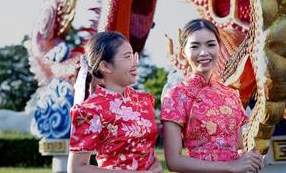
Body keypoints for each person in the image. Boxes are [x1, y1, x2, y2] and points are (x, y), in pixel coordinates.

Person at [160, 19, 263, 173]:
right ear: (183, 52)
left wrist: (249, 158)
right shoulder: (176, 95)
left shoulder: (231, 94)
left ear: (219, 47)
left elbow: (239, 147)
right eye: (195, 46)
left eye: (210, 44)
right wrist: (230, 167)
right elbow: (174, 161)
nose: (204, 52)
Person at [67, 31, 163, 173]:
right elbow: (76, 168)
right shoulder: (91, 109)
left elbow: (147, 151)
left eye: (134, 56)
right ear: (105, 66)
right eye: (127, 57)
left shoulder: (143, 101)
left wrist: (157, 166)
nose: (134, 63)